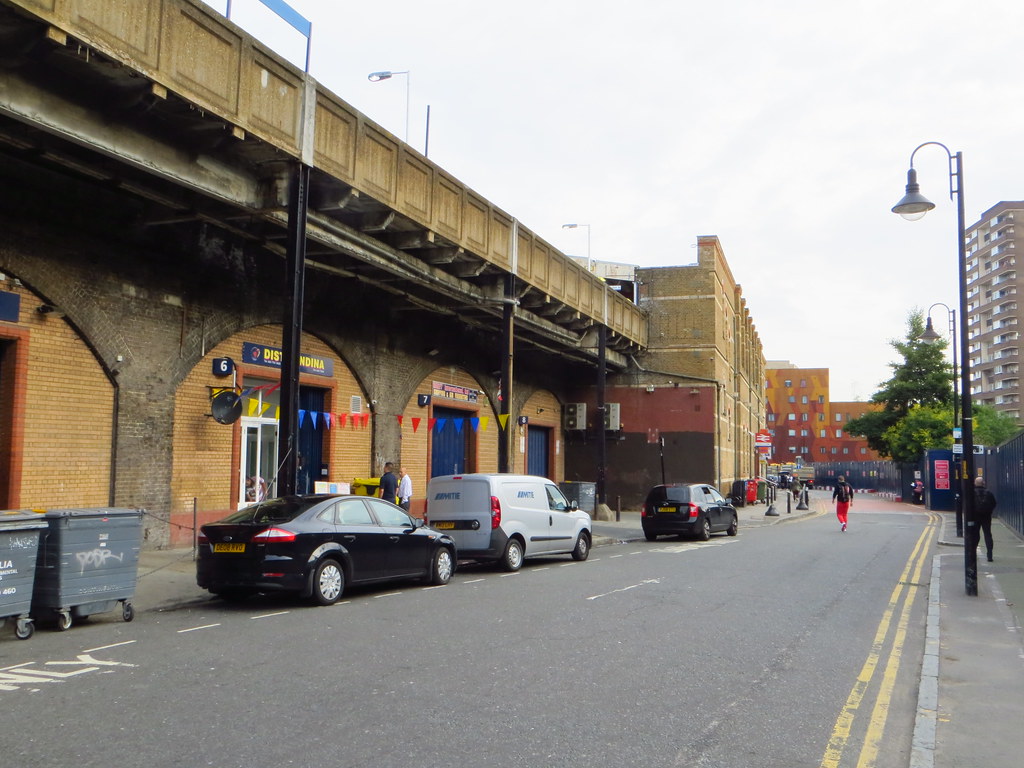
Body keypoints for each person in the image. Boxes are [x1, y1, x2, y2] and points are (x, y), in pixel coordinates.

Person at [973, 476, 997, 562]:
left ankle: (973, 553)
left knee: (975, 535)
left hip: (975, 516)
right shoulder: (989, 493)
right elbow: (994, 503)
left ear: (975, 483)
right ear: (983, 483)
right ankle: (989, 556)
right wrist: (989, 511)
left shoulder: (972, 493)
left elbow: (968, 505)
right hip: (986, 516)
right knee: (987, 534)